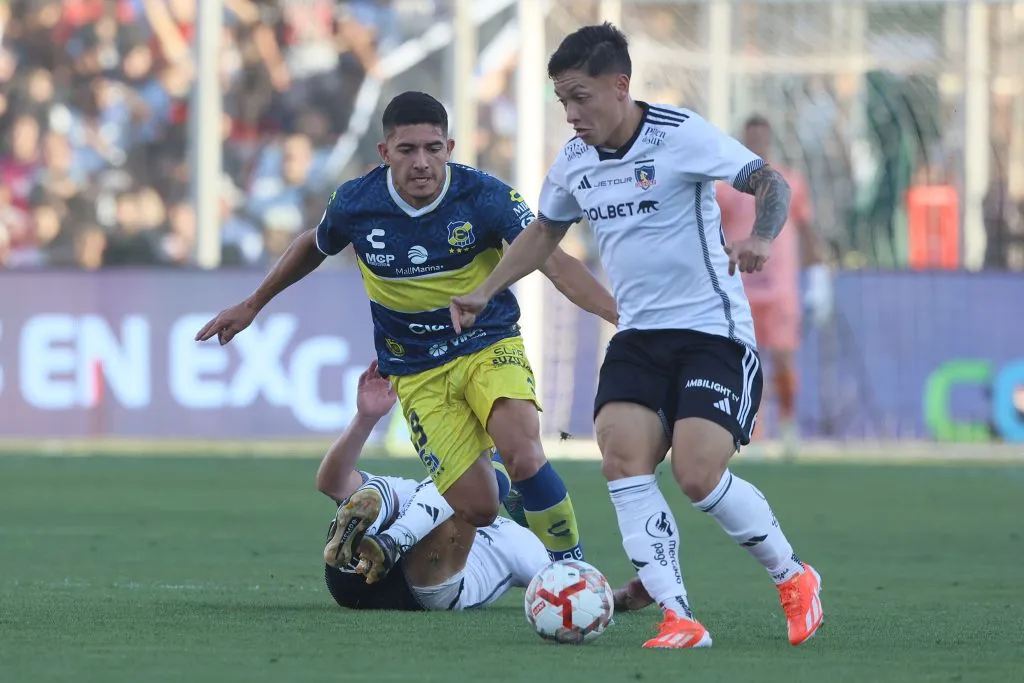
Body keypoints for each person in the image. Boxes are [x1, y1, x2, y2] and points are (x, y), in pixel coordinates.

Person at [449, 24, 823, 649]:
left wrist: (760, 237)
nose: (570, 114)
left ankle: (792, 575)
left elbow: (770, 182)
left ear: (620, 87)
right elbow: (543, 235)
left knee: (698, 475)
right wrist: (487, 289)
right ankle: (680, 616)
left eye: (580, 97)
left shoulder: (680, 134)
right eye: (561, 101)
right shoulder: (572, 163)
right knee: (622, 461)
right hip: (639, 337)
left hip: (712, 334)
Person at [196, 91, 618, 576]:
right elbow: (313, 246)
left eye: (433, 149)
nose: (422, 162)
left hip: (487, 342)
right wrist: (253, 304)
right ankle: (506, 483)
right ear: (384, 152)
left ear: (450, 147)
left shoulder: (485, 197)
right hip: (415, 368)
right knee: (480, 507)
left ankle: (576, 573)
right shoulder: (358, 202)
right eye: (408, 150)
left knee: (524, 451)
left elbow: (557, 263)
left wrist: (622, 319)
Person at [318, 360, 549, 611]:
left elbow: (560, 582)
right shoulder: (426, 493)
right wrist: (366, 418)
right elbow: (333, 484)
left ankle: (388, 541)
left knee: (453, 482)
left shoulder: (520, 540)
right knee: (398, 491)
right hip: (359, 574)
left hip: (423, 583)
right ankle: (374, 541)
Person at [717, 115, 832, 456]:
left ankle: (788, 425)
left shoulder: (788, 181)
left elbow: (807, 229)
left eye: (761, 139)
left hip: (780, 288)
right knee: (741, 362)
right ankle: (748, 428)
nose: (756, 145)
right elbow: (710, 231)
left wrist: (819, 275)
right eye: (750, 139)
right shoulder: (725, 188)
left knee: (783, 358)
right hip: (740, 288)